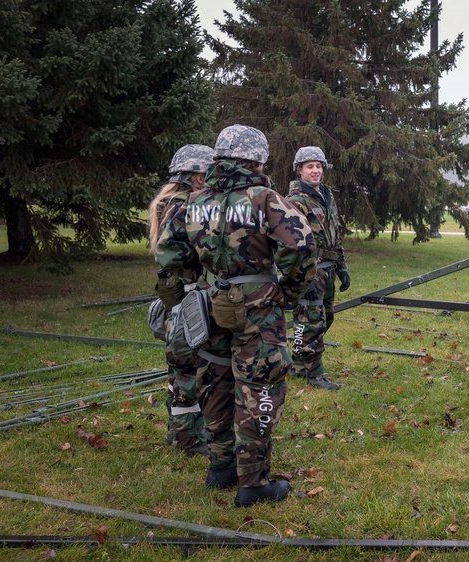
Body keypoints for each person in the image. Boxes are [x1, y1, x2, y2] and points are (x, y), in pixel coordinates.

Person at [156, 124, 317, 507]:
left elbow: (168, 250)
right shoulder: (265, 199)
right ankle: (254, 482)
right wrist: (286, 292)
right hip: (257, 312)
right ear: (257, 159)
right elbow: (300, 247)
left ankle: (221, 466)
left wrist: (201, 280)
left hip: (209, 306)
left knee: (214, 380)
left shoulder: (194, 200)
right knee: (259, 386)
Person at [147, 144, 214, 456]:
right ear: (198, 177)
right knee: (188, 367)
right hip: (188, 296)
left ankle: (177, 432)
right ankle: (188, 439)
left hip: (178, 296)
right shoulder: (184, 205)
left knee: (178, 368)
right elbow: (171, 253)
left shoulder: (167, 202)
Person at [286, 146, 350, 390]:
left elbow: (336, 232)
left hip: (328, 269)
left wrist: (342, 266)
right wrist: (304, 276)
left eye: (318, 166)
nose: (315, 171)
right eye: (310, 166)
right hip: (310, 270)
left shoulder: (326, 195)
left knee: (324, 319)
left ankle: (299, 364)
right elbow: (292, 243)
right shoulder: (295, 201)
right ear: (300, 170)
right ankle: (315, 374)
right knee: (310, 320)